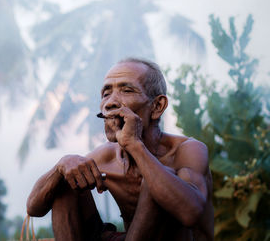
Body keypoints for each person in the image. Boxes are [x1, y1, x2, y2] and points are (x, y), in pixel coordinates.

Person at [26, 58, 214, 241]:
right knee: (66, 179)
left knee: (157, 179)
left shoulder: (188, 150)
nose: (110, 103)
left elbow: (190, 213)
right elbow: (34, 209)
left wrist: (134, 145)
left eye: (126, 90)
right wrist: (61, 165)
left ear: (157, 106)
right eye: (106, 94)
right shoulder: (106, 156)